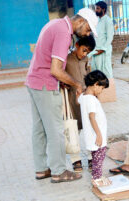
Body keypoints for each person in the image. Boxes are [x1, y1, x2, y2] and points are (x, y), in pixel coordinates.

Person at [25, 8, 98, 183]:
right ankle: (59, 171)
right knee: (56, 130)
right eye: (88, 30)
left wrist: (65, 80)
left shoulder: (55, 24)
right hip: (45, 84)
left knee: (39, 129)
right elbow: (56, 70)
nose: (86, 34)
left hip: (34, 81)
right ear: (81, 21)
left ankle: (41, 169)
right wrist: (76, 83)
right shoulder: (64, 32)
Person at [63, 35, 96, 172]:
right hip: (70, 99)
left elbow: (89, 76)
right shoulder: (66, 59)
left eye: (87, 52)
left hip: (86, 99)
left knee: (89, 127)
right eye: (83, 50)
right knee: (73, 129)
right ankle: (75, 159)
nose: (84, 54)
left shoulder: (86, 60)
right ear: (77, 45)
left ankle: (90, 156)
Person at [78, 70, 111, 187]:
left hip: (91, 135)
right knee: (99, 157)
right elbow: (92, 117)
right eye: (102, 88)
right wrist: (99, 134)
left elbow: (79, 98)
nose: (101, 91)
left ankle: (97, 175)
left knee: (96, 157)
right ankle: (96, 178)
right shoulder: (91, 99)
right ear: (96, 84)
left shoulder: (84, 96)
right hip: (96, 135)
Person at [89, 1, 114, 79]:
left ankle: (109, 89)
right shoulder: (97, 21)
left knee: (106, 72)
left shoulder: (108, 21)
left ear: (103, 9)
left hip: (103, 51)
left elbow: (110, 38)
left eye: (98, 8)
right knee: (96, 71)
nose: (96, 10)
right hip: (96, 51)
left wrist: (102, 49)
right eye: (96, 8)